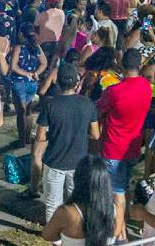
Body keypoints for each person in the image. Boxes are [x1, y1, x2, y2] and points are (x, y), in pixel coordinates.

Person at [96, 48, 152, 239]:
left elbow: (98, 110)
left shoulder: (115, 91)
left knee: (116, 194)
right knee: (124, 189)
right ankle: (123, 228)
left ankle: (119, 236)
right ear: (140, 65)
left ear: (121, 65)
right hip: (133, 148)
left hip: (114, 149)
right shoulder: (146, 87)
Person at [33, 62, 99, 223]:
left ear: (57, 82)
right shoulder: (87, 104)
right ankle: (74, 232)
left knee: (52, 203)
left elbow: (40, 136)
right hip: (79, 161)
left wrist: (54, 133)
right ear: (77, 83)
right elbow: (96, 135)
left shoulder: (50, 104)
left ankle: (54, 237)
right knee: (76, 202)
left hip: (54, 160)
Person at [42, 156, 120, 246]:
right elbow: (116, 234)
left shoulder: (66, 212)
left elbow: (47, 235)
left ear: (77, 178)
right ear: (106, 181)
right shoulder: (115, 210)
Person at [10, 22, 47, 147]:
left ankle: (21, 141)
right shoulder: (37, 47)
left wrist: (25, 73)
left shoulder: (18, 48)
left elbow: (13, 67)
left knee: (21, 113)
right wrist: (35, 73)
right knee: (29, 112)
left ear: (22, 34)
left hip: (19, 83)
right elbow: (44, 63)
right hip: (32, 84)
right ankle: (27, 138)